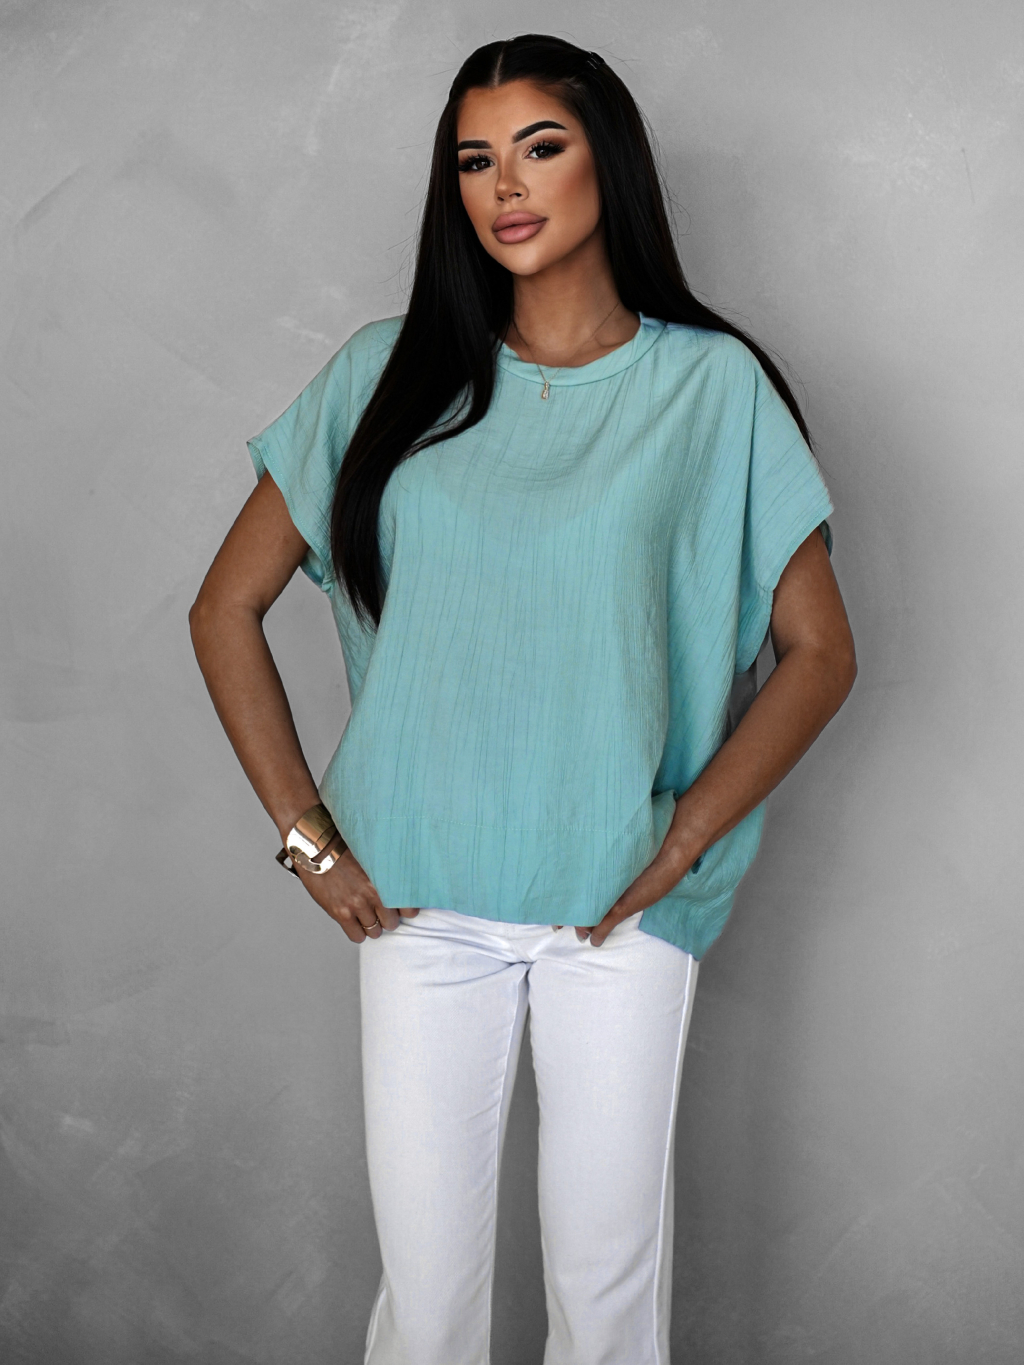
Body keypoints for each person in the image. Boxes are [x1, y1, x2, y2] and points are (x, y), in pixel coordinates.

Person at [189, 32, 857, 1365]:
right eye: (474, 159)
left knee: (606, 1302)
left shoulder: (708, 389)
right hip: (417, 901)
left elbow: (822, 650)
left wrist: (683, 837)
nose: (505, 185)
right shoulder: (385, 375)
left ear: (609, 160)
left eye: (540, 147)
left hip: (620, 905)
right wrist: (310, 840)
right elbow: (223, 611)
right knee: (425, 1308)